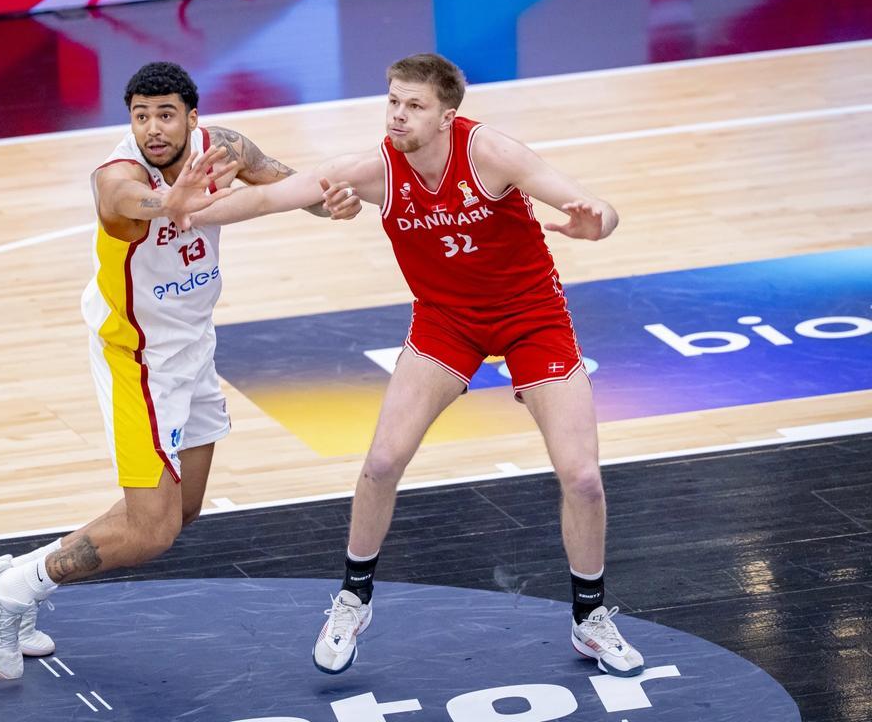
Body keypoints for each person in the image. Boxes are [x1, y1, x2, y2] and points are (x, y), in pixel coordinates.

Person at [190, 52, 644, 678]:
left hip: (531, 318)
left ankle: (589, 618)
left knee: (583, 477)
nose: (398, 115)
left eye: (414, 105)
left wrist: (599, 225)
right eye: (393, 101)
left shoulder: (492, 154)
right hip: (446, 322)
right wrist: (177, 211)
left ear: (447, 116)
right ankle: (353, 599)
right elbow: (270, 198)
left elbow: (593, 206)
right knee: (382, 461)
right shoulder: (376, 169)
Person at [0, 61, 361, 680]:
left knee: (183, 510)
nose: (152, 127)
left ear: (191, 117)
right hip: (139, 358)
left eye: (165, 114)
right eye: (140, 115)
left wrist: (329, 200)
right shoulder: (118, 177)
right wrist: (170, 201)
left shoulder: (221, 147)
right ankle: (11, 592)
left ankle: (6, 579)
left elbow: (282, 179)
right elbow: (124, 202)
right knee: (151, 531)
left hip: (193, 347)